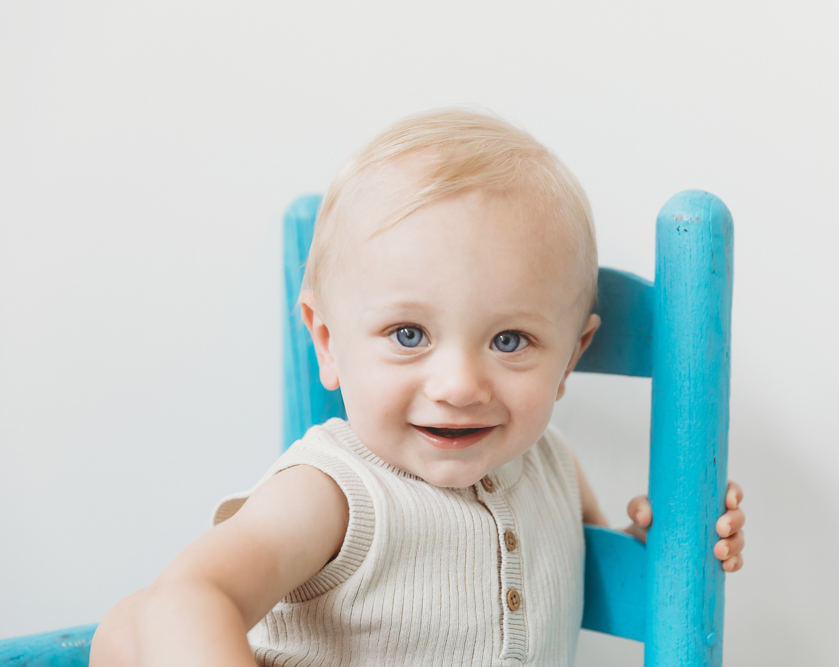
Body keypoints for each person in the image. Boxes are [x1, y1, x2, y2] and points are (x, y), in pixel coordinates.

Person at [91, 109, 746, 667]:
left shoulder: (552, 468)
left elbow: (576, 574)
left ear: (570, 357)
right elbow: (188, 595)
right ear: (327, 341)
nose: (459, 385)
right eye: (408, 334)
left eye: (510, 340)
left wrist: (669, 549)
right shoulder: (332, 492)